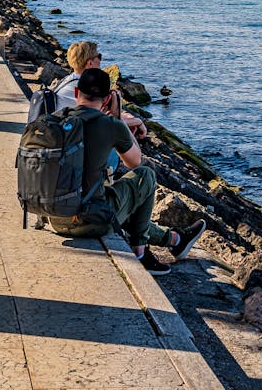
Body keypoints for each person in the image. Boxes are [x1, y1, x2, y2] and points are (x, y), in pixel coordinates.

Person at [66, 69, 205, 274]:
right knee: (145, 177)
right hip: (89, 222)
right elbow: (135, 163)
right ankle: (140, 250)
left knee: (117, 201)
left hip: (56, 218)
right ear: (106, 98)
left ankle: (175, 240)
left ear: (77, 92)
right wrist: (118, 119)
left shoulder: (58, 119)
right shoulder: (110, 124)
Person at [54, 41, 147, 141]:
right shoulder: (82, 87)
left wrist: (126, 116)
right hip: (65, 136)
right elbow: (103, 121)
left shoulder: (69, 79)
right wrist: (137, 121)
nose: (100, 61)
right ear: (89, 63)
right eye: (99, 56)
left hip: (60, 129)